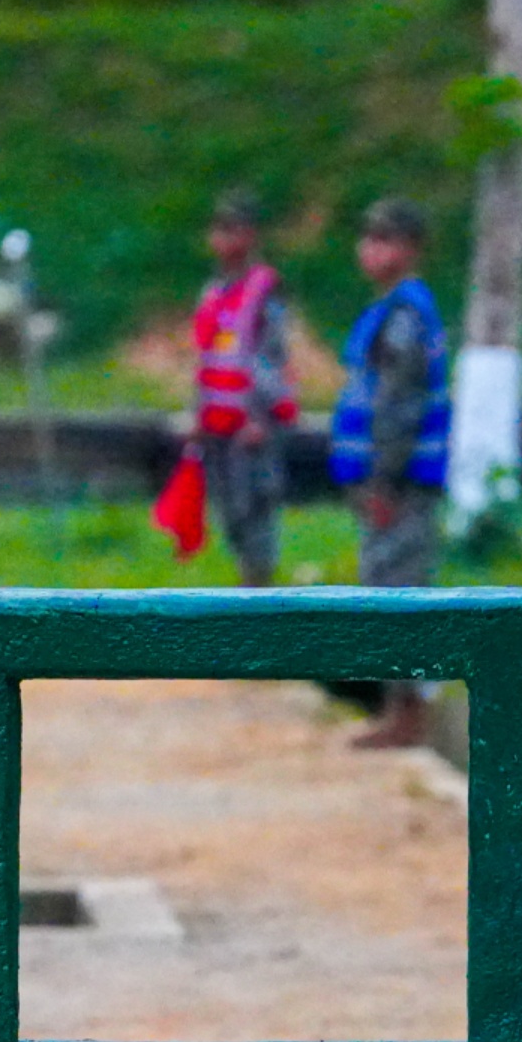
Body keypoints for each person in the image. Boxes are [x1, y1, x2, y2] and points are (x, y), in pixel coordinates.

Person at [329, 198, 449, 749]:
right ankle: (398, 709)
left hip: (398, 485)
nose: (372, 250)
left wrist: (382, 480)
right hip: (386, 482)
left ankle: (409, 716)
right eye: (368, 238)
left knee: (399, 594)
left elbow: (398, 408)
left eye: (386, 240)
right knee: (384, 587)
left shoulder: (404, 317)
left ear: (411, 250)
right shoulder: (388, 311)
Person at [180, 193, 300, 586]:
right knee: (229, 514)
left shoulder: (263, 291)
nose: (224, 240)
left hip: (252, 426)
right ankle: (245, 584)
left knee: (256, 510)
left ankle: (259, 591)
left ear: (251, 236)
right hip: (217, 421)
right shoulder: (214, 290)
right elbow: (207, 354)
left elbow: (271, 357)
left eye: (233, 230)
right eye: (218, 230)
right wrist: (197, 411)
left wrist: (260, 416)